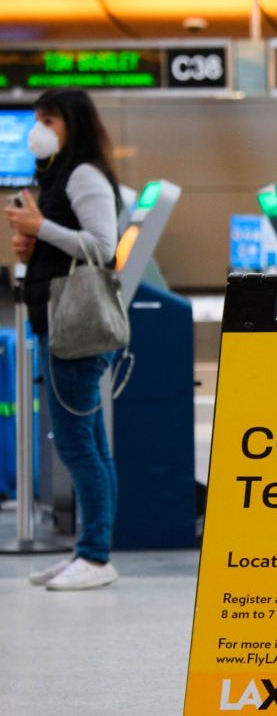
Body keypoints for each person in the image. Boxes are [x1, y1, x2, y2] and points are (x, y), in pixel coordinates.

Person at [5, 89, 123, 589]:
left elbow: (102, 247)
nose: (40, 128)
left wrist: (42, 227)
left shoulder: (84, 174)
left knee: (78, 445)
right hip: (57, 320)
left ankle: (95, 557)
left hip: (77, 325)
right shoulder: (56, 173)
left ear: (71, 122)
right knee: (90, 443)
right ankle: (89, 551)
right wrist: (32, 239)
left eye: (48, 119)